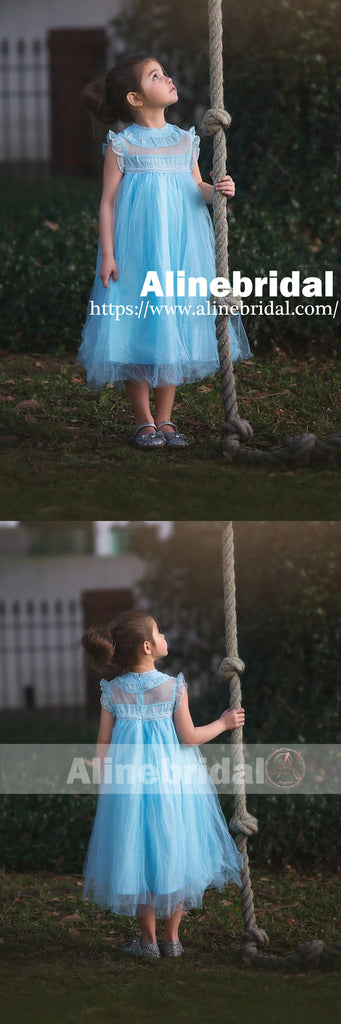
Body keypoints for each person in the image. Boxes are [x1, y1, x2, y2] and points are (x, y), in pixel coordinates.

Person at [78, 54, 252, 449]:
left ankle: (166, 418)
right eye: (156, 76)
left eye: (164, 72)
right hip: (137, 251)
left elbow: (197, 191)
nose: (168, 78)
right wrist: (108, 254)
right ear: (136, 98)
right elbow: (107, 202)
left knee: (171, 325)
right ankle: (143, 420)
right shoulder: (122, 146)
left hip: (180, 248)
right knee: (140, 326)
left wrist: (219, 191)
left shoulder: (184, 140)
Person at [81, 609, 245, 959]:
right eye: (159, 632)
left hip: (129, 789)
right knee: (175, 848)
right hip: (174, 787)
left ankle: (148, 941)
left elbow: (103, 744)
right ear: (146, 646)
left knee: (135, 854)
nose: (164, 637)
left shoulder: (112, 691)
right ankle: (172, 938)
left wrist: (103, 780)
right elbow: (188, 737)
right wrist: (222, 723)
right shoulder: (172, 687)